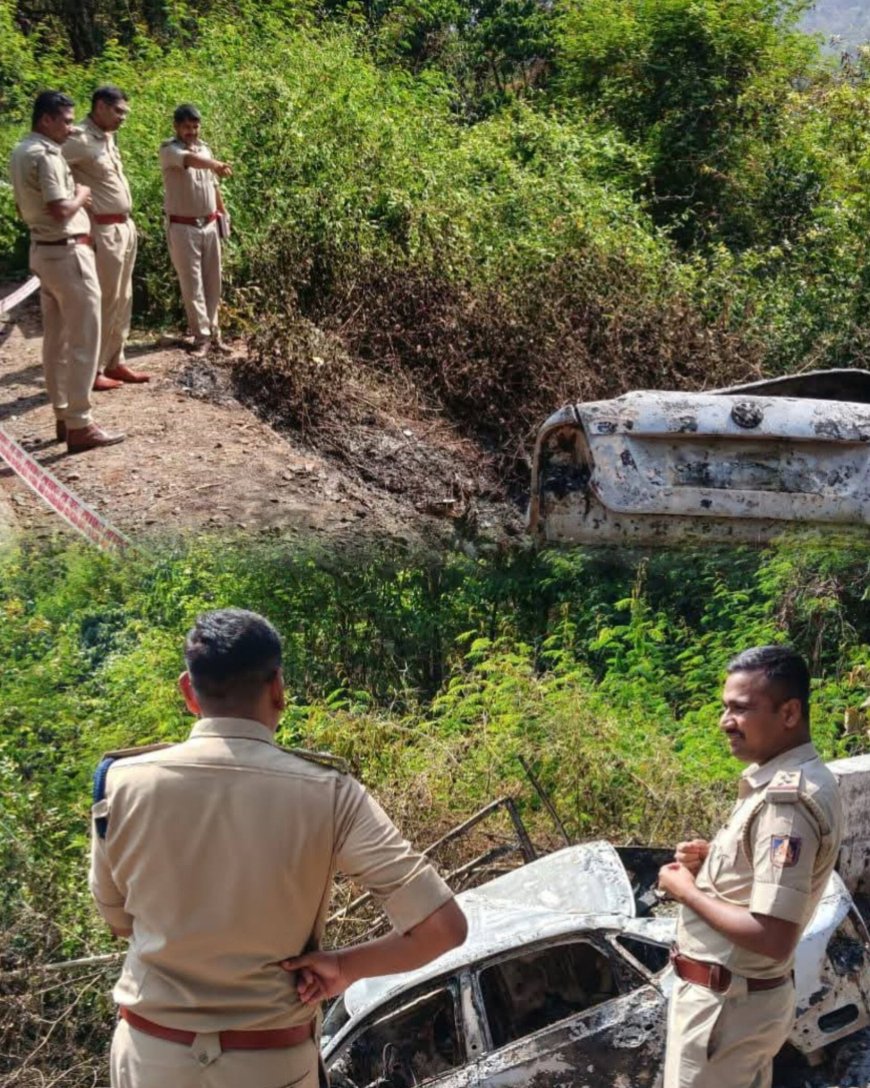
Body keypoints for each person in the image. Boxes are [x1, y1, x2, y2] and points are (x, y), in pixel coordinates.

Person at [89, 608, 467, 1088]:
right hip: (270, 1063)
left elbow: (118, 921)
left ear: (188, 690)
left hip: (149, 1058)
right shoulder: (329, 792)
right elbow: (444, 928)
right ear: (277, 688)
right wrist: (345, 967)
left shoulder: (117, 784)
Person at [658, 645, 843, 1088]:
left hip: (726, 1010)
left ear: (790, 712)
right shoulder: (790, 782)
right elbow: (758, 884)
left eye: (741, 709)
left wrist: (686, 890)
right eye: (726, 708)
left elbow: (773, 936)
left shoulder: (787, 804)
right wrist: (710, 867)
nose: (726, 722)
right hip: (735, 1006)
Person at [9, 91, 125, 452]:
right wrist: (82, 194)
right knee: (83, 340)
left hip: (43, 250)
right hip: (67, 252)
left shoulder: (21, 150)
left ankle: (64, 414)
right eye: (66, 120)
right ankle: (80, 423)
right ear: (46, 120)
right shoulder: (45, 155)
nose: (71, 127)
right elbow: (61, 208)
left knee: (56, 340)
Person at [63, 85, 150, 388]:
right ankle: (93, 369)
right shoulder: (78, 138)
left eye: (125, 112)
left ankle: (115, 361)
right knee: (103, 300)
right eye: (118, 111)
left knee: (123, 298)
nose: (122, 118)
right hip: (102, 228)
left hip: (124, 227)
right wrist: (71, 195)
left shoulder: (107, 137)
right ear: (99, 106)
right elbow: (47, 165)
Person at [159, 104, 232, 357]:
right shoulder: (170, 150)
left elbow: (213, 186)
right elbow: (191, 161)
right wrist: (216, 164)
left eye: (195, 126)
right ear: (176, 127)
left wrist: (223, 212)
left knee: (214, 281)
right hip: (183, 226)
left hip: (209, 224)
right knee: (192, 284)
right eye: (187, 127)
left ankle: (214, 333)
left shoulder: (205, 149)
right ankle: (200, 337)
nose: (191, 131)